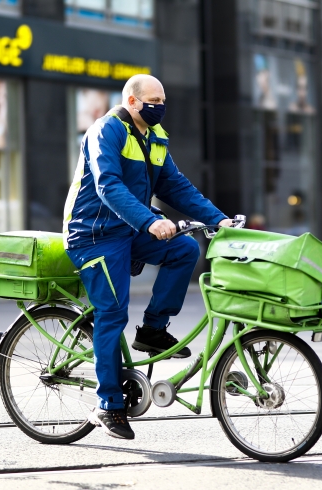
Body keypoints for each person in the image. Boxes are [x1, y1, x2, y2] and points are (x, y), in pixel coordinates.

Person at [63, 74, 232, 441]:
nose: (160, 106)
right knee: (112, 313)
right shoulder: (105, 131)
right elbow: (109, 185)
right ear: (132, 100)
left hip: (129, 231)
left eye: (163, 99)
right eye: (152, 99)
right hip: (93, 236)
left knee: (185, 249)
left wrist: (218, 219)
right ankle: (108, 404)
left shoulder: (156, 138)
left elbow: (176, 186)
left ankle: (153, 330)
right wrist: (150, 220)